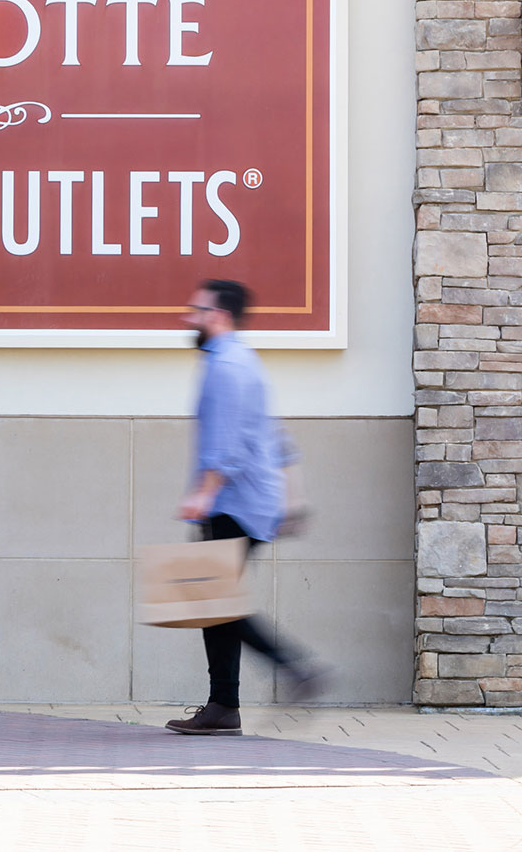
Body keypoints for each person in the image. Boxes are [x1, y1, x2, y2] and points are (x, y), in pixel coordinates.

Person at [167, 279, 324, 736]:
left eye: (196, 310)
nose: (188, 318)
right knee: (213, 600)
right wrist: (292, 498)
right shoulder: (242, 361)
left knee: (215, 599)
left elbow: (229, 442)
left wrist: (203, 491)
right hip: (249, 500)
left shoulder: (228, 366)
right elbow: (274, 437)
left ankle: (293, 667)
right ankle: (223, 706)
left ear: (218, 315)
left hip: (233, 502)